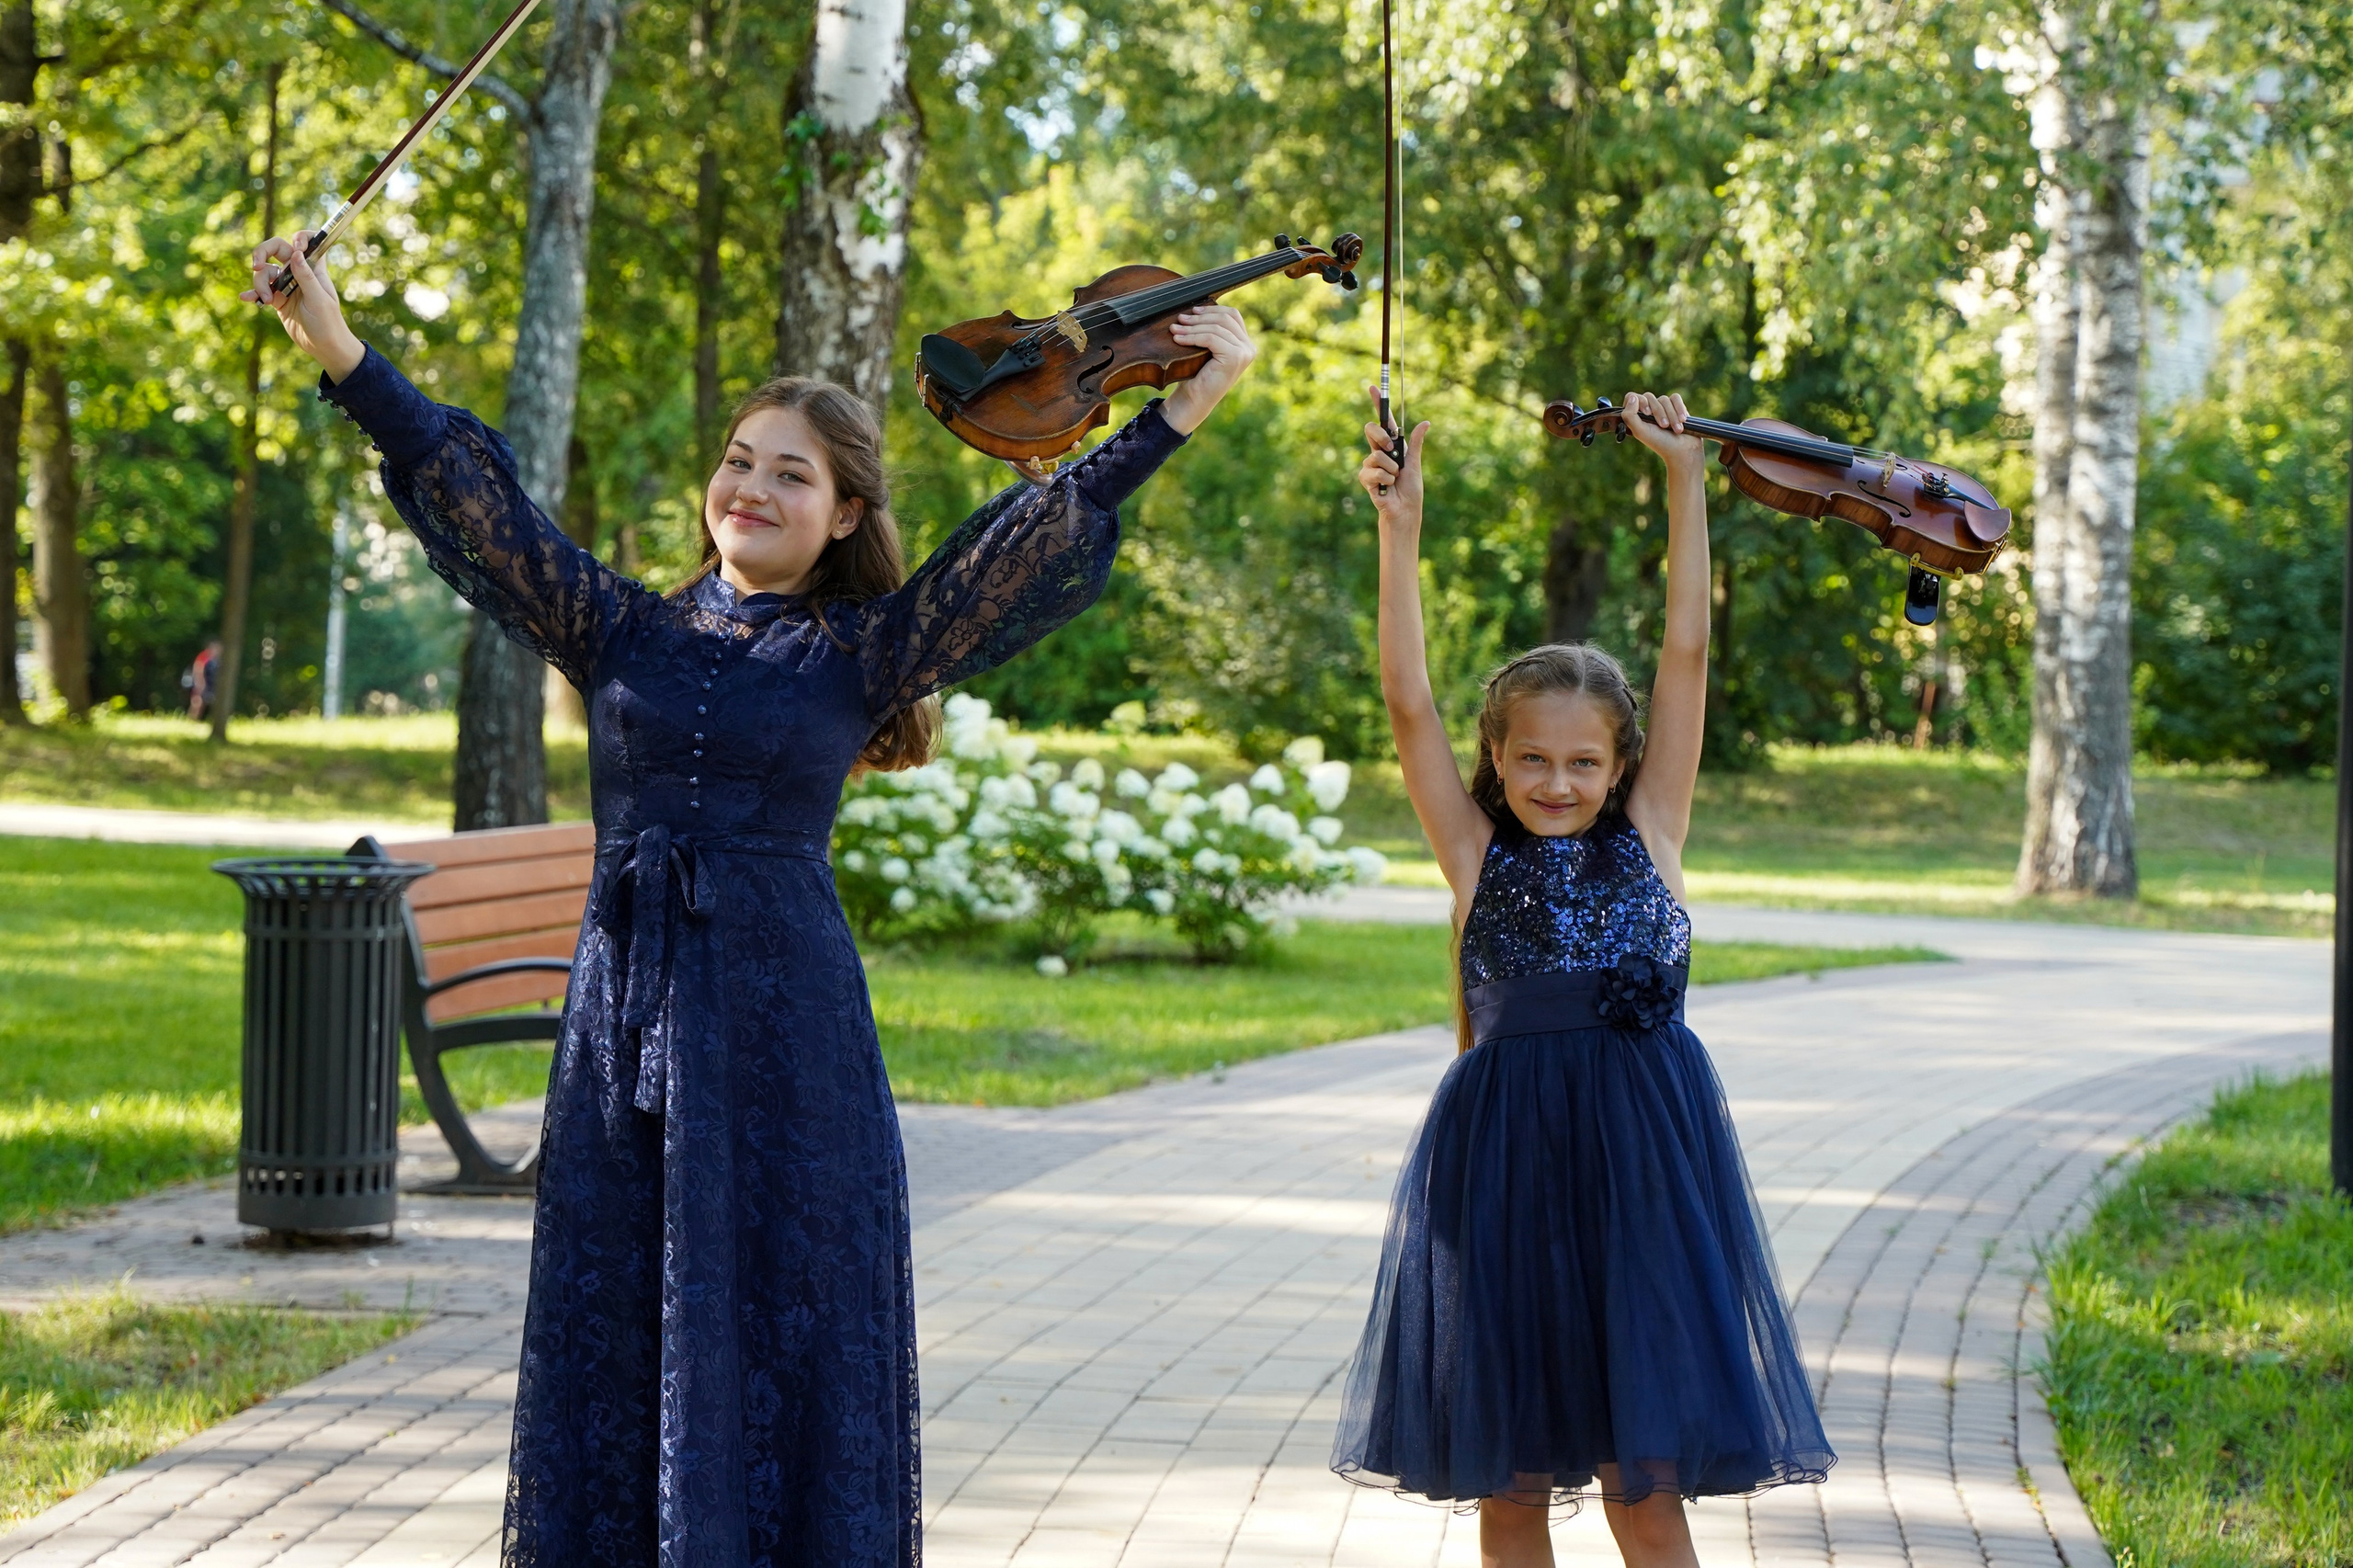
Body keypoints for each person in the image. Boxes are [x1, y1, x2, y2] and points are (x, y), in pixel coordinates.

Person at [242, 231, 1257, 1567]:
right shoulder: (616, 626)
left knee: (789, 1321)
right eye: (738, 458)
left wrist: (1179, 408)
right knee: (628, 1319)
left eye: (794, 472)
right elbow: (472, 495)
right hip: (626, 1038)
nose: (753, 484)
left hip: (792, 1047)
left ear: (845, 516)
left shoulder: (864, 651)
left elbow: (1025, 544)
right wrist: (337, 344)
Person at [1328, 391, 1832, 1567]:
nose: (1557, 780)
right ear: (1496, 761)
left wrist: (1684, 481)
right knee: (1508, 1483)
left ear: (1622, 764)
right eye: (1532, 758)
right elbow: (1408, 699)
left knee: (1639, 1484)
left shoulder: (1654, 828)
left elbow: (1688, 651)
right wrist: (1400, 532)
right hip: (1503, 1170)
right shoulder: (1474, 850)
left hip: (1645, 1178)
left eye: (1583, 760)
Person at [185, 638, 222, 721]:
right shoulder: (204, 656)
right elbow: (198, 669)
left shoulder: (216, 659)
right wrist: (200, 683)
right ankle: (192, 719)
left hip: (211, 683)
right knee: (198, 701)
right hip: (201, 681)